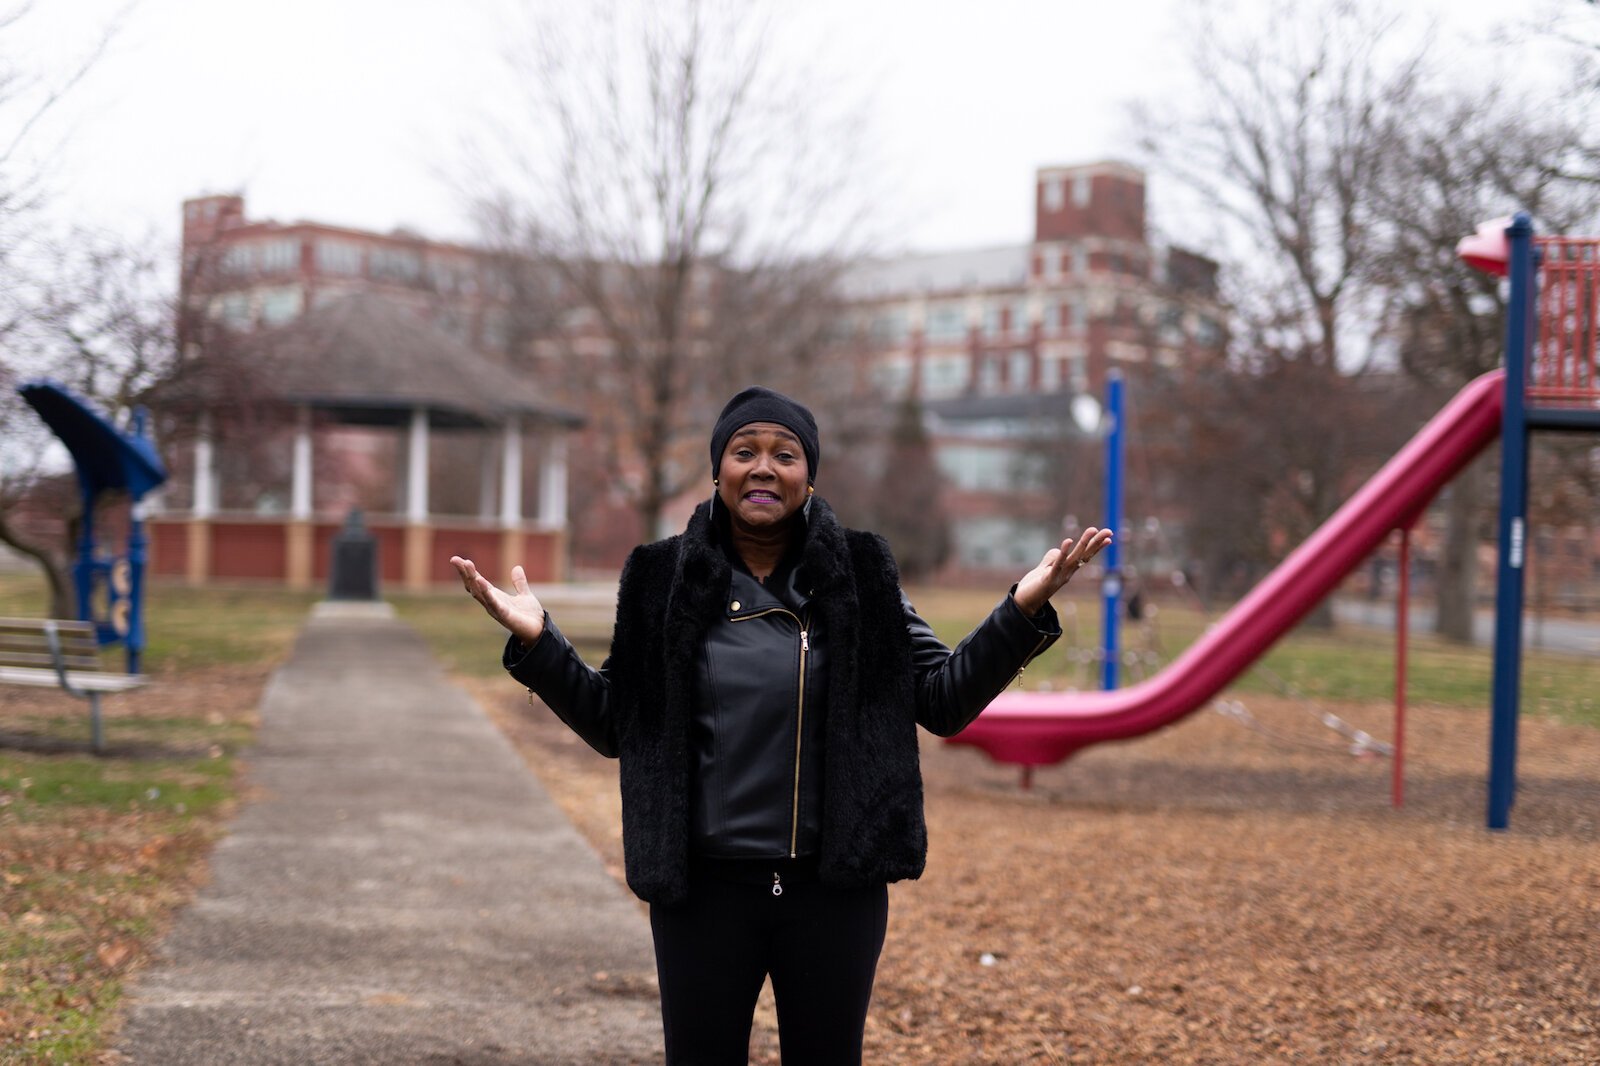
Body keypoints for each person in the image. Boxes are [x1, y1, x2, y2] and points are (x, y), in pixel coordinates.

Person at [450, 385, 1111, 1066]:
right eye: (745, 451)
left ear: (809, 476)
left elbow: (941, 700)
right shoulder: (659, 578)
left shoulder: (862, 573)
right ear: (718, 470)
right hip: (703, 897)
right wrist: (539, 644)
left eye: (784, 454)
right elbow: (616, 723)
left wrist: (1020, 612)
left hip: (832, 897)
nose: (764, 467)